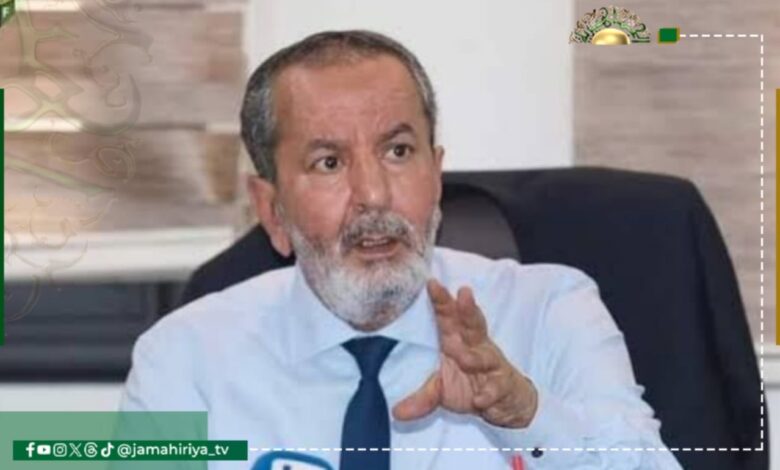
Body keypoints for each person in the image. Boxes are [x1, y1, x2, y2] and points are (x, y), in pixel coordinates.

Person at [120, 30, 682, 469]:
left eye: (398, 151)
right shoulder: (184, 359)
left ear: (436, 175)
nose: (374, 194)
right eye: (329, 163)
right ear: (271, 210)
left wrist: (526, 414)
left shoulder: (550, 310)